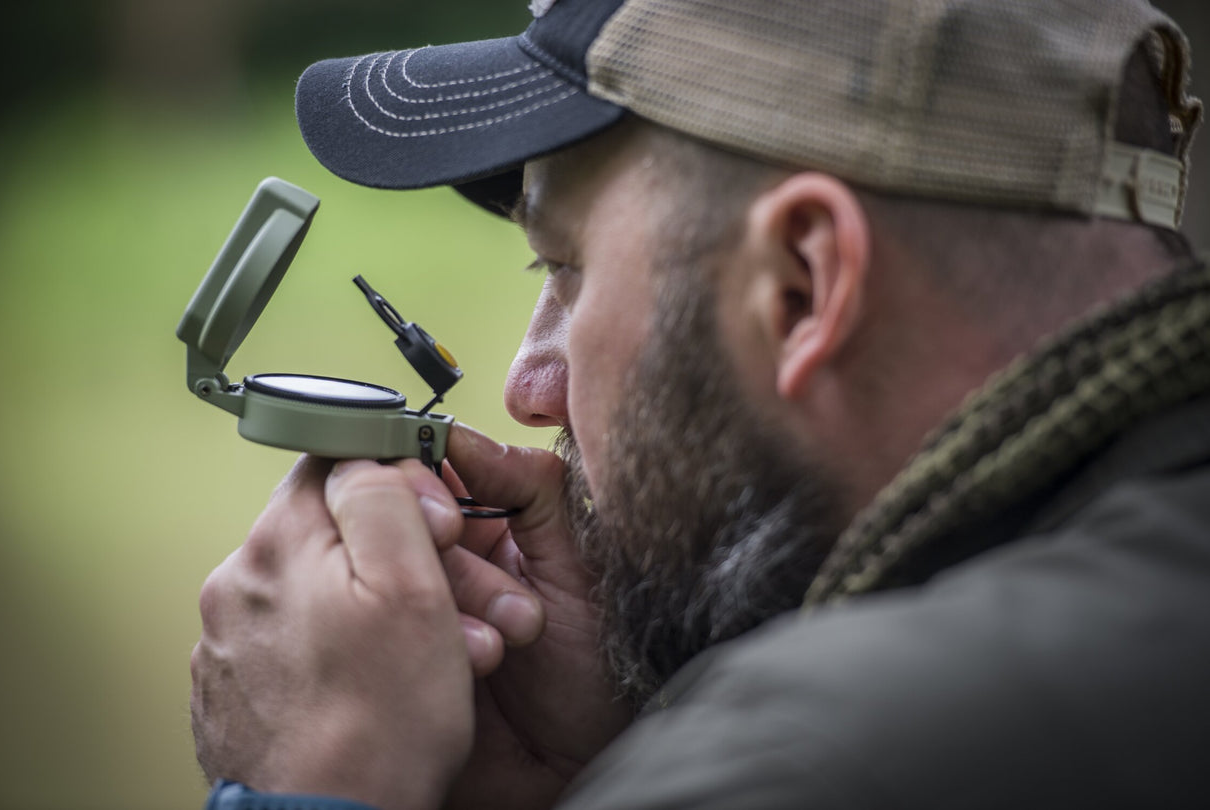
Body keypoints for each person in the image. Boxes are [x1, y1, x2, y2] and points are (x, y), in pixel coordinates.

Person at [190, 0, 1210, 808]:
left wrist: (310, 786)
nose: (528, 389)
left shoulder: (798, 764)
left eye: (565, 265)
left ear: (801, 285)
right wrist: (619, 762)